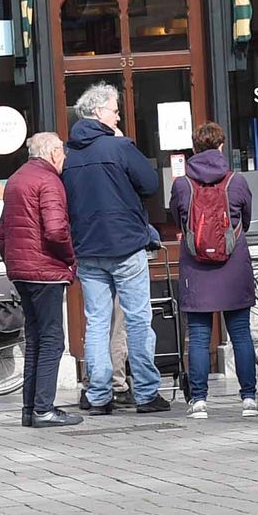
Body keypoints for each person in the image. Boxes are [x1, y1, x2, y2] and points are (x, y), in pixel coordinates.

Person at [62, 82, 170, 415]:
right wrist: (123, 143)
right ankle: (147, 393)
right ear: (98, 112)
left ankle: (98, 395)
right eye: (115, 110)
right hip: (125, 245)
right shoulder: (119, 147)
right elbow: (150, 184)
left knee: (96, 322)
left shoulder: (68, 154)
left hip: (87, 249)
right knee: (138, 320)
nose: (119, 116)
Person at [169, 122, 258, 419]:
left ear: (194, 149)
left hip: (196, 269)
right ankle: (248, 399)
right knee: (241, 334)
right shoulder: (237, 181)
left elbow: (178, 219)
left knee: (197, 336)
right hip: (233, 267)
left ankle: (199, 402)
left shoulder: (182, 184)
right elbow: (246, 219)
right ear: (221, 146)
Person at [0, 132, 82, 428]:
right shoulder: (49, 181)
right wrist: (69, 259)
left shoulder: (16, 179)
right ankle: (43, 409)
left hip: (22, 271)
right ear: (53, 153)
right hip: (45, 271)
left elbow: (1, 235)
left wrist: (14, 262)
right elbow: (56, 230)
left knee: (35, 339)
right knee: (52, 340)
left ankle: (30, 409)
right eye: (63, 152)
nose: (65, 157)